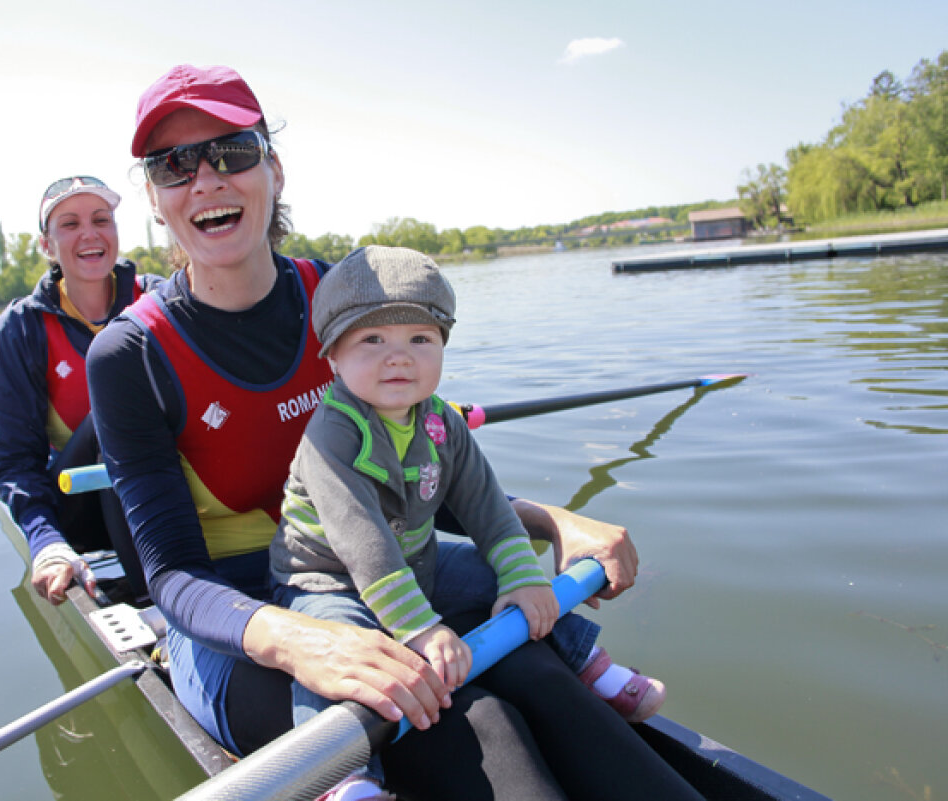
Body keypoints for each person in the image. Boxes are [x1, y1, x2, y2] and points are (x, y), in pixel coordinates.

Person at [88, 64, 701, 800]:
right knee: (465, 719)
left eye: (232, 152)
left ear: (273, 169)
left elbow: (425, 465)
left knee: (535, 665)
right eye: (174, 165)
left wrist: (553, 521)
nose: (206, 180)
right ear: (155, 198)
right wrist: (299, 638)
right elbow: (172, 578)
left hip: (381, 568)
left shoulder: (350, 298)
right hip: (236, 617)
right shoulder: (131, 354)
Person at [270, 245, 666, 799]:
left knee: (495, 571)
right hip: (325, 576)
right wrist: (422, 630)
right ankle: (344, 777)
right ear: (332, 355)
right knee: (340, 647)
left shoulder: (441, 422)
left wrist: (523, 579)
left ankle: (586, 663)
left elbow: (487, 509)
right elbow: (365, 547)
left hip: (416, 556)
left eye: (420, 339)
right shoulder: (331, 435)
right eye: (372, 340)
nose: (399, 358)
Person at [0, 175, 157, 605]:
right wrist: (45, 541)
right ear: (46, 245)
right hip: (82, 508)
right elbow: (12, 461)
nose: (90, 234)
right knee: (114, 409)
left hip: (163, 493)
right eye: (69, 224)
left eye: (102, 219)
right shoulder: (20, 330)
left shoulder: (158, 298)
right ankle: (156, 596)